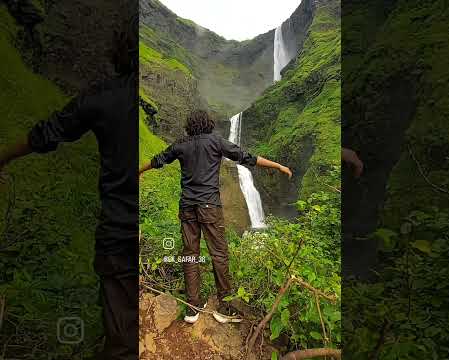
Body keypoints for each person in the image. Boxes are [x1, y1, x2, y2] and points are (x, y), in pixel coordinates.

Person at [0, 16, 139, 359]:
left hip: (117, 233)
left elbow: (47, 133)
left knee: (122, 337)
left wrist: (2, 158)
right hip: (146, 236)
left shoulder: (103, 97)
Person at [139, 110, 292, 324]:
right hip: (209, 206)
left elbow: (157, 160)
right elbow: (247, 157)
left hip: (187, 208)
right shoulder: (216, 142)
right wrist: (277, 165)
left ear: (190, 126)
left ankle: (192, 308)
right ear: (209, 123)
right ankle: (224, 307)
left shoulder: (181, 145)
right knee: (219, 254)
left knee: (190, 254)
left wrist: (138, 172)